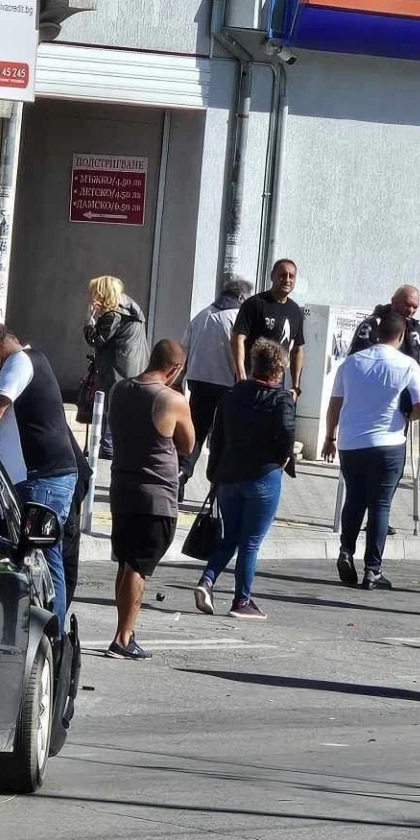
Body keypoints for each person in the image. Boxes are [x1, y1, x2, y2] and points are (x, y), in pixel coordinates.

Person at [0, 324, 86, 632]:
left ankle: (50, 636)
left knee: (43, 557)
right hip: (43, 477)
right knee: (45, 558)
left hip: (43, 478)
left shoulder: (19, 362)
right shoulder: (33, 360)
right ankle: (47, 634)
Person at [323, 312, 420, 590]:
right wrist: (407, 416)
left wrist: (329, 437)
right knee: (380, 504)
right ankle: (373, 569)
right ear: (402, 335)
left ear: (376, 334)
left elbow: (334, 403)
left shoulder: (352, 363)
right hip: (389, 443)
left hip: (351, 443)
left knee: (354, 499)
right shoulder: (407, 365)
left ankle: (346, 550)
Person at [196, 338, 296, 620]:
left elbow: (218, 437)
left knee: (231, 536)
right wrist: (284, 456)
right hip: (263, 475)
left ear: (254, 365)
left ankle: (207, 580)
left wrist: (213, 472)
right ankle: (242, 600)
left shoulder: (232, 394)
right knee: (251, 541)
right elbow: (287, 432)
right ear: (278, 370)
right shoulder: (281, 399)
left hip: (229, 475)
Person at [105, 339, 193, 660]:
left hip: (122, 489)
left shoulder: (119, 391)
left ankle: (124, 629)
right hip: (155, 496)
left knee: (127, 563)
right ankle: (123, 636)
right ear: (175, 369)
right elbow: (187, 444)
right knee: (138, 568)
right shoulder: (171, 399)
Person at [180, 275, 253, 493]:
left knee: (195, 433)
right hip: (227, 384)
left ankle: (182, 474)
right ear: (241, 296)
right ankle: (217, 485)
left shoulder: (202, 315)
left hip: (199, 381)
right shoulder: (238, 318)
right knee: (222, 437)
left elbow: (184, 350)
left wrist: (180, 379)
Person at [85, 275, 150, 457]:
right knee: (121, 406)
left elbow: (97, 340)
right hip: (134, 364)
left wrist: (89, 320)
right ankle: (115, 446)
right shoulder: (131, 308)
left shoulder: (113, 315)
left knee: (108, 406)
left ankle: (107, 447)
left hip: (116, 367)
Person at [232, 258, 307, 396]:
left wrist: (296, 387)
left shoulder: (295, 310)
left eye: (292, 276)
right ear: (272, 276)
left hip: (277, 385)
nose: (287, 279)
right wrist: (241, 377)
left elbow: (297, 349)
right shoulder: (254, 304)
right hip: (252, 382)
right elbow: (237, 339)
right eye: (283, 275)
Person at [348, 284, 420, 364]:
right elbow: (355, 360)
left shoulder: (416, 330)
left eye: (415, 307)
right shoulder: (373, 324)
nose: (411, 311)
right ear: (393, 301)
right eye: (407, 305)